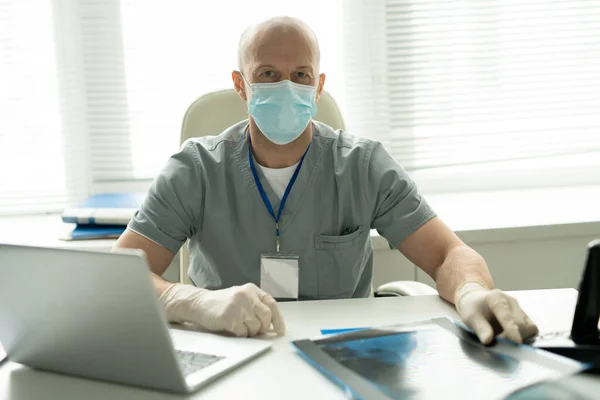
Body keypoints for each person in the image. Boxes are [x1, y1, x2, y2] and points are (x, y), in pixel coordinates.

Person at [114, 16, 539, 344]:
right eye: (267, 74)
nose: (286, 86)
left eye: (300, 74)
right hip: (232, 351)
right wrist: (194, 302)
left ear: (318, 86)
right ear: (240, 86)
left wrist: (471, 293)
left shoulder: (363, 165)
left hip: (342, 354)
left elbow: (448, 254)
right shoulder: (195, 170)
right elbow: (120, 275)